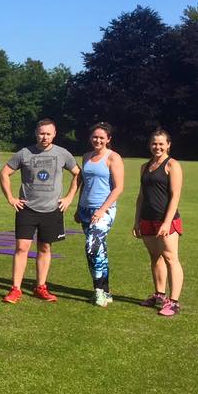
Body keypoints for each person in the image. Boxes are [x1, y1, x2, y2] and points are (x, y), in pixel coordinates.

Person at [0, 119, 80, 304]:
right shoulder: (24, 153)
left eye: (48, 134)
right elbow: (4, 173)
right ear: (36, 133)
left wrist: (69, 197)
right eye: (42, 133)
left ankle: (41, 287)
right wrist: (11, 198)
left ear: (54, 134)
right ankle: (15, 289)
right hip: (27, 209)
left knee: (44, 248)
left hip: (52, 210)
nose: (45, 137)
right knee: (21, 248)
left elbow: (78, 173)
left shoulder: (62, 154)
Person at [134, 129, 184, 317]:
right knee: (155, 257)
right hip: (147, 219)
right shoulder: (145, 166)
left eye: (161, 143)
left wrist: (166, 222)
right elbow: (141, 196)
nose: (158, 147)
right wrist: (137, 220)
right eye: (155, 143)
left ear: (168, 145)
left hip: (166, 220)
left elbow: (175, 196)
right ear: (150, 145)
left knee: (171, 258)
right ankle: (160, 295)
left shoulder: (172, 165)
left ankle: (174, 302)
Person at [75, 122, 124, 307]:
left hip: (104, 209)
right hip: (86, 209)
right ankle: (105, 290)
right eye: (95, 137)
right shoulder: (86, 156)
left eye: (102, 137)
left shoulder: (113, 158)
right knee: (96, 252)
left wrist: (102, 210)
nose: (98, 140)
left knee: (92, 247)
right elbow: (85, 184)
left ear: (108, 139)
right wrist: (78, 208)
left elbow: (118, 188)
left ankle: (99, 291)